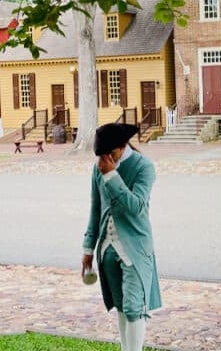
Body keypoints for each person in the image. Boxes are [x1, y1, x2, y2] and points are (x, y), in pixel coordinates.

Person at [81, 123, 161, 351]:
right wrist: (88, 248)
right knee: (121, 307)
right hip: (107, 249)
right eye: (102, 155)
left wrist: (112, 176)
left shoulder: (144, 167)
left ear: (122, 146)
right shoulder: (99, 168)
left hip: (135, 247)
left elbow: (136, 207)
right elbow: (95, 209)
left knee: (135, 307)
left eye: (111, 154)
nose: (106, 159)